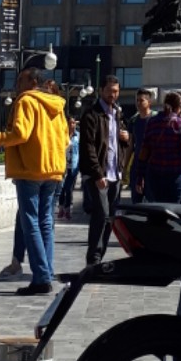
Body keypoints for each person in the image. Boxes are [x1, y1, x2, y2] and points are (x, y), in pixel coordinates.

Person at [0, 63, 68, 296]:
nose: (17, 86)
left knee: (31, 222)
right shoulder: (57, 105)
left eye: (20, 81)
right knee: (46, 221)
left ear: (33, 83)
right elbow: (66, 139)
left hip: (30, 170)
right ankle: (46, 270)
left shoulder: (26, 101)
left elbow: (20, 134)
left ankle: (41, 278)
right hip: (54, 170)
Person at [79, 75, 128, 266]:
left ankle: (100, 256)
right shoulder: (91, 114)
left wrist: (126, 138)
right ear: (101, 90)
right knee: (101, 214)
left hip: (115, 173)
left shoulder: (117, 114)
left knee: (110, 218)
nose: (113, 95)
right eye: (109, 91)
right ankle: (94, 258)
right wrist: (97, 174)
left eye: (116, 91)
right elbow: (88, 146)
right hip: (99, 174)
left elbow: (117, 145)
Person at [137, 92, 181, 203]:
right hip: (176, 175)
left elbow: (144, 151)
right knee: (173, 210)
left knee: (157, 209)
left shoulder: (152, 122)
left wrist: (140, 176)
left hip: (155, 175)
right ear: (179, 107)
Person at [126, 88, 156, 201]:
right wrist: (125, 166)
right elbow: (130, 145)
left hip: (153, 167)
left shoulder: (156, 119)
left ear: (149, 102)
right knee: (136, 201)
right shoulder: (133, 120)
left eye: (141, 100)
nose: (138, 103)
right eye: (137, 100)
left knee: (153, 201)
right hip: (137, 167)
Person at [58, 117, 81, 220]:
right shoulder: (62, 134)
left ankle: (68, 210)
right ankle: (61, 208)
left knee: (69, 188)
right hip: (62, 165)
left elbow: (81, 151)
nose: (72, 125)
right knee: (61, 188)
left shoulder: (78, 136)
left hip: (74, 166)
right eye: (70, 123)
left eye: (73, 123)